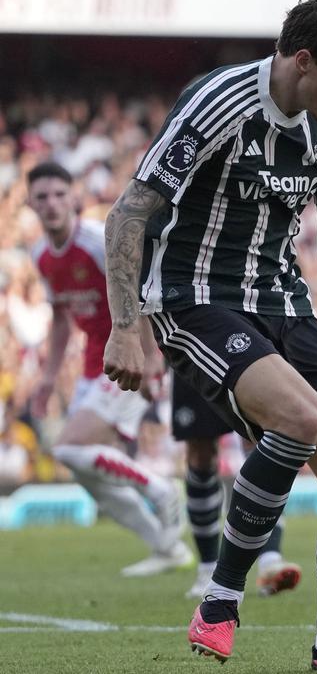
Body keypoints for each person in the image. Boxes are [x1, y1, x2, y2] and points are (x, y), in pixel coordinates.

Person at [101, 0, 317, 670]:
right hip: (191, 297)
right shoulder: (219, 102)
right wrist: (126, 326)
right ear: (303, 60)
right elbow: (129, 211)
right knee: (298, 419)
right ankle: (218, 601)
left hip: (283, 302)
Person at [26, 161, 191, 576]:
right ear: (30, 203)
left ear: (74, 198)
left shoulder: (97, 241)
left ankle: (160, 488)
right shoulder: (40, 255)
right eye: (42, 197)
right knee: (86, 472)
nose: (51, 204)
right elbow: (61, 319)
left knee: (69, 448)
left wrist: (151, 359)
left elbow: (140, 295)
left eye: (59, 195)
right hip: (92, 366)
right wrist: (48, 378)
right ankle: (166, 547)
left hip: (127, 359)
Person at [172, 377, 301, 600]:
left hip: (254, 356)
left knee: (262, 439)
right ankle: (208, 569)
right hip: (198, 358)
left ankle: (270, 561)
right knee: (200, 453)